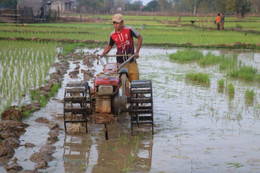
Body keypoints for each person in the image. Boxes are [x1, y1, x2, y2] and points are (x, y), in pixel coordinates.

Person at [99, 13, 143, 96]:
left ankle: (136, 99)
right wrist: (102, 54)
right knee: (124, 84)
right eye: (114, 23)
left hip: (131, 60)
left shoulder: (129, 30)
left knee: (136, 82)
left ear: (122, 22)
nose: (115, 25)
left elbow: (140, 38)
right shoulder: (112, 34)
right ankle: (127, 101)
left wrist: (137, 52)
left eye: (117, 23)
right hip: (121, 63)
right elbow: (109, 46)